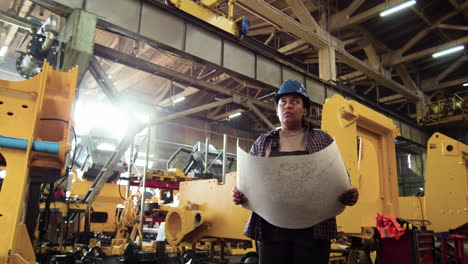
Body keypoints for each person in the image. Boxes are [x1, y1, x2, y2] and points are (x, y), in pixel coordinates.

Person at [232, 79, 359, 264]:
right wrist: (238, 194)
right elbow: (246, 182)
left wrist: (350, 193)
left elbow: (342, 181)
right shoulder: (263, 143)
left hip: (314, 230)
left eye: (294, 101)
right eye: (282, 102)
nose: (287, 106)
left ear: (304, 110)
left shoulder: (322, 140)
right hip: (270, 230)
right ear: (277, 110)